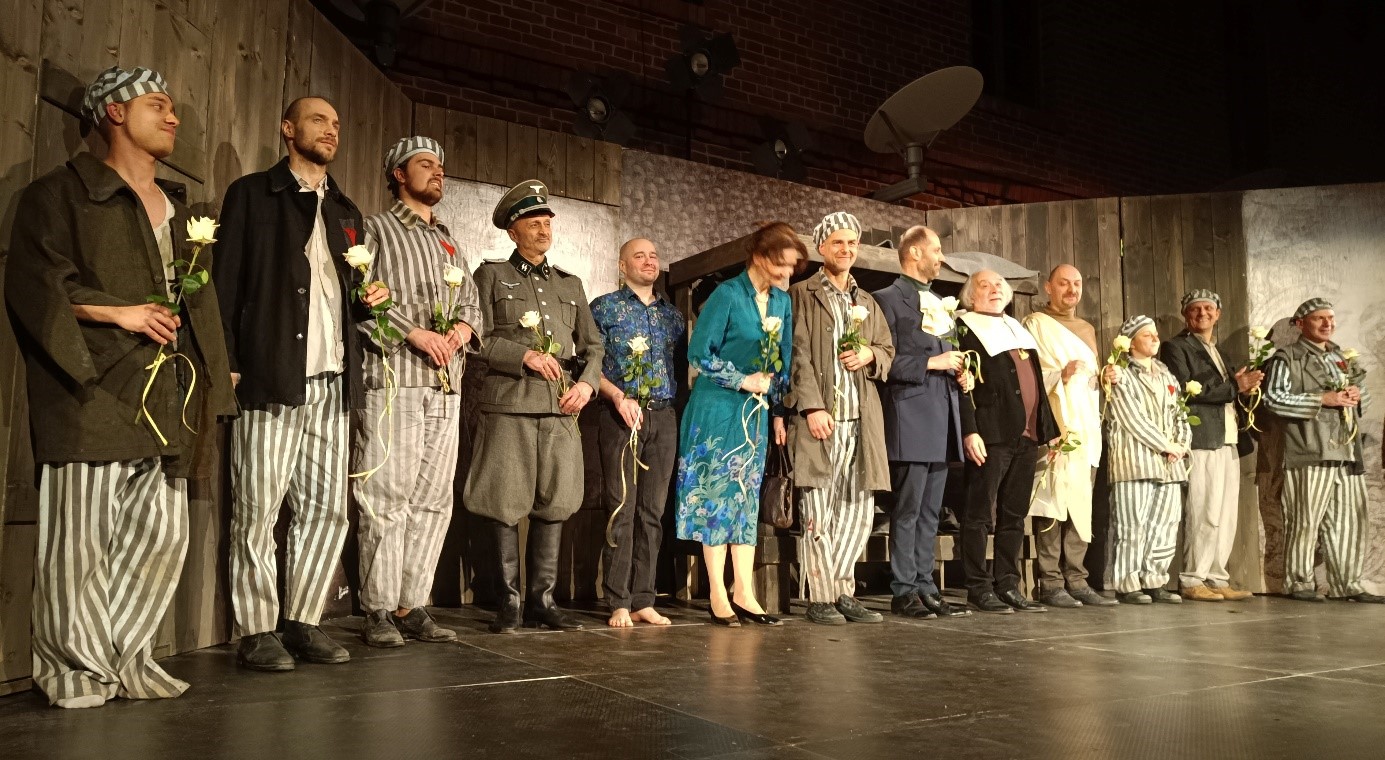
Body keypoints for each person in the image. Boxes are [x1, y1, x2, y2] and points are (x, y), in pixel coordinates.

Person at [7, 66, 237, 707]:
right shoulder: (61, 194)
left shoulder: (182, 211)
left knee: (160, 535)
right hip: (95, 389)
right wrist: (119, 313)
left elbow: (202, 304)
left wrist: (217, 379)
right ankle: (75, 669)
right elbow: (35, 283)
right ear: (114, 111)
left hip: (170, 394)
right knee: (78, 541)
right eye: (158, 104)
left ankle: (127, 658)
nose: (173, 117)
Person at [216, 96, 390, 670]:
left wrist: (369, 300)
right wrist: (229, 363)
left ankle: (302, 620)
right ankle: (256, 628)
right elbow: (225, 284)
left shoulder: (345, 209)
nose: (331, 130)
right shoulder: (252, 194)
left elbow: (344, 299)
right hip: (271, 373)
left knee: (326, 510)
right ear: (287, 128)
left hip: (332, 381)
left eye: (337, 123)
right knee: (258, 507)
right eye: (319, 120)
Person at [353, 137, 482, 647]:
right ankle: (379, 607)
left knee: (433, 498)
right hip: (395, 379)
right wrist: (414, 333)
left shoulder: (449, 240)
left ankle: (412, 603)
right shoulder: (376, 229)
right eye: (426, 165)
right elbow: (362, 298)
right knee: (387, 494)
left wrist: (462, 331)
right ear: (399, 174)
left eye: (441, 167)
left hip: (446, 384)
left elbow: (471, 302)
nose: (438, 173)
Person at [463, 179, 605, 632]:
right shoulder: (490, 276)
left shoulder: (570, 283)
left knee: (556, 502)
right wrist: (521, 355)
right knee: (502, 501)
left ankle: (542, 600)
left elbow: (593, 346)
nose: (543, 230)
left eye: (547, 222)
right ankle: (508, 602)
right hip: (509, 403)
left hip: (561, 407)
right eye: (533, 222)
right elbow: (476, 338)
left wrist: (587, 386)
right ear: (512, 231)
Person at [675, 222, 803, 627]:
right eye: (781, 264)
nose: (787, 273)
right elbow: (699, 353)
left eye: (792, 266)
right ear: (760, 258)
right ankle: (717, 590)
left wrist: (778, 410)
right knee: (716, 495)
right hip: (717, 408)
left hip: (756, 412)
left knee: (745, 498)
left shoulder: (781, 302)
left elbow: (782, 361)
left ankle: (744, 590)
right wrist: (742, 379)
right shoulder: (727, 294)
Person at [787, 212, 895, 625]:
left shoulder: (865, 301)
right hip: (822, 419)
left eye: (852, 243)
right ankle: (820, 596)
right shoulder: (802, 294)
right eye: (837, 242)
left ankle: (843, 590)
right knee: (818, 508)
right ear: (821, 247)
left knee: (857, 510)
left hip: (861, 421)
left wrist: (870, 354)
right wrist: (811, 407)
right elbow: (796, 355)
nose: (846, 249)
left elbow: (886, 350)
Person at [872, 226, 972, 619]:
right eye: (937, 250)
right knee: (909, 508)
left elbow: (946, 356)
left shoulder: (941, 304)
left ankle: (926, 585)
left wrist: (960, 372)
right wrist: (932, 362)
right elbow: (883, 360)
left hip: (943, 416)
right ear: (914, 252)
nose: (941, 258)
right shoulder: (886, 299)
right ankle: (903, 590)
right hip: (911, 416)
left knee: (932, 511)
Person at [590, 238, 686, 628]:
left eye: (654, 256)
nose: (649, 261)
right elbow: (588, 365)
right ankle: (618, 600)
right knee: (622, 509)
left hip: (663, 416)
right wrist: (617, 396)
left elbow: (680, 368)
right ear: (622, 265)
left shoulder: (672, 316)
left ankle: (644, 598)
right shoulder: (604, 308)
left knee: (653, 513)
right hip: (621, 416)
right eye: (639, 256)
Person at [1262, 299, 1384, 603]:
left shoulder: (1341, 357)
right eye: (1319, 319)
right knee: (1304, 519)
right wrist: (1320, 399)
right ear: (1301, 324)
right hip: (1309, 449)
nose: (1328, 324)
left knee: (1349, 521)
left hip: (1347, 451)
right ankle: (1298, 582)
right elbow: (1273, 399)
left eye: (1330, 318)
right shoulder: (1287, 358)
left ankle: (1348, 583)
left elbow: (1364, 400)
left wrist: (1357, 394)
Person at [957, 270, 1059, 614]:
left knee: (1014, 515)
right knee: (979, 514)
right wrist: (969, 430)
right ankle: (978, 586)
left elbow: (1036, 383)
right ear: (971, 296)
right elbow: (961, 386)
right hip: (991, 434)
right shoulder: (964, 328)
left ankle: (1008, 584)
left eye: (999, 284)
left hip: (1026, 435)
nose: (994, 289)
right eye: (984, 285)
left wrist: (1048, 429)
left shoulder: (1016, 327)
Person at [1020, 265, 1117, 608]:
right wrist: (1058, 375)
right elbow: (1030, 373)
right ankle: (1050, 582)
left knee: (1080, 502)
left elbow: (1089, 380)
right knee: (1053, 501)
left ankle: (1077, 579)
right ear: (1048, 287)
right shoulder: (1035, 323)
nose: (1072, 289)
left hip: (1086, 425)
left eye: (1077, 283)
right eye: (1064, 283)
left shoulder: (1087, 328)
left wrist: (1105, 377)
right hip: (1057, 423)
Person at [1160, 289, 1260, 602]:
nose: (1202, 313)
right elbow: (1186, 390)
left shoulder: (1220, 352)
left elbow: (1227, 391)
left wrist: (1243, 390)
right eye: (1195, 309)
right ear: (1185, 315)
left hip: (1229, 438)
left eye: (1208, 308)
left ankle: (1217, 577)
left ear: (1218, 314)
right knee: (1204, 509)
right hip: (1202, 439)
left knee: (1226, 513)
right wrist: (1234, 386)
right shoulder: (1176, 347)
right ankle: (1193, 578)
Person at [1106, 316, 1190, 605]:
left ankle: (1155, 579)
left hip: (1170, 464)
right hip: (1135, 462)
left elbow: (1181, 413)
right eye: (1147, 335)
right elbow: (1132, 419)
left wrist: (1181, 445)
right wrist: (1165, 445)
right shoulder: (1121, 375)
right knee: (1132, 525)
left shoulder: (1167, 375)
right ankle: (1127, 583)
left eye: (1155, 334)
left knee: (1165, 524)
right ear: (1130, 343)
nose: (1155, 339)